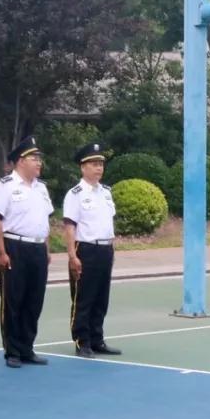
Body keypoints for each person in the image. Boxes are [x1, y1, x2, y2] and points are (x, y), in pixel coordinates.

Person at [0, 135, 53, 368]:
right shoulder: (4, 186)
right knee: (13, 300)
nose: (39, 162)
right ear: (21, 161)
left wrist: (46, 249)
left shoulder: (41, 188)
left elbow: (44, 221)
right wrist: (1, 251)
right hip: (14, 246)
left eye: (39, 158)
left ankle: (27, 347)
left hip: (37, 247)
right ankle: (13, 350)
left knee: (34, 300)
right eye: (34, 158)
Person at [62, 143, 121, 358]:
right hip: (85, 248)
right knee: (83, 298)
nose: (99, 168)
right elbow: (70, 226)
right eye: (94, 164)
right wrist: (72, 255)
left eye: (101, 164)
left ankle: (97, 339)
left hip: (105, 249)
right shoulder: (75, 194)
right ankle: (82, 341)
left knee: (101, 298)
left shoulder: (106, 192)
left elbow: (107, 222)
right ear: (83, 167)